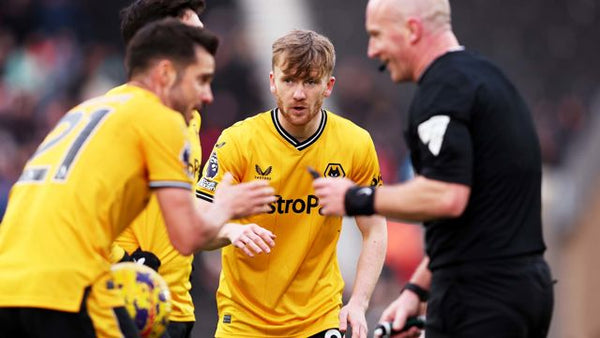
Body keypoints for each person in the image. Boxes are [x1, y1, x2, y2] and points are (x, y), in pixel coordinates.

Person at [0, 20, 275, 338]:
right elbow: (186, 235)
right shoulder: (157, 118)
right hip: (71, 288)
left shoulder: (87, 109)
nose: (208, 94)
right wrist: (226, 207)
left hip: (11, 282)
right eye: (200, 80)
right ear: (166, 71)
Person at [313, 0, 555, 337]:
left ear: (412, 30)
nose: (372, 50)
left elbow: (447, 196)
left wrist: (357, 198)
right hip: (524, 288)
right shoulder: (490, 80)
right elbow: (471, 216)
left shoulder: (442, 90)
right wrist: (416, 291)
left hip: (480, 297)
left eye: (377, 35)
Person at [195, 29, 388, 338]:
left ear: (328, 86)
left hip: (319, 318)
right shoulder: (238, 142)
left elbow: (375, 227)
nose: (299, 93)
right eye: (289, 80)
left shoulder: (355, 143)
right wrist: (232, 229)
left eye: (310, 81)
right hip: (245, 321)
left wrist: (359, 303)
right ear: (273, 82)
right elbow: (196, 227)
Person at [112, 2, 276, 337]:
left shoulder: (188, 118)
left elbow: (182, 221)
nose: (209, 47)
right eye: (196, 37)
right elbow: (73, 205)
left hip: (174, 306)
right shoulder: (120, 116)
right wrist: (123, 261)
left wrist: (229, 229)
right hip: (126, 301)